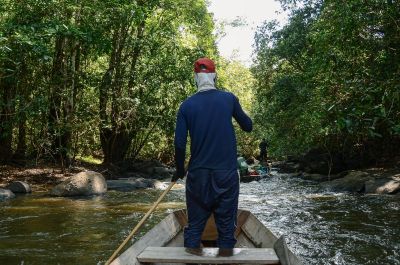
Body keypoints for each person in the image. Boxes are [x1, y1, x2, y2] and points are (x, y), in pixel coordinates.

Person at [172, 57, 252, 256]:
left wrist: (180, 169)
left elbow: (179, 143)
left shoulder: (186, 106)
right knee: (226, 229)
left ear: (195, 78)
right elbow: (248, 126)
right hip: (226, 175)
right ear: (214, 76)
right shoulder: (229, 99)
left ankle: (190, 259)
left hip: (198, 176)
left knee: (195, 227)